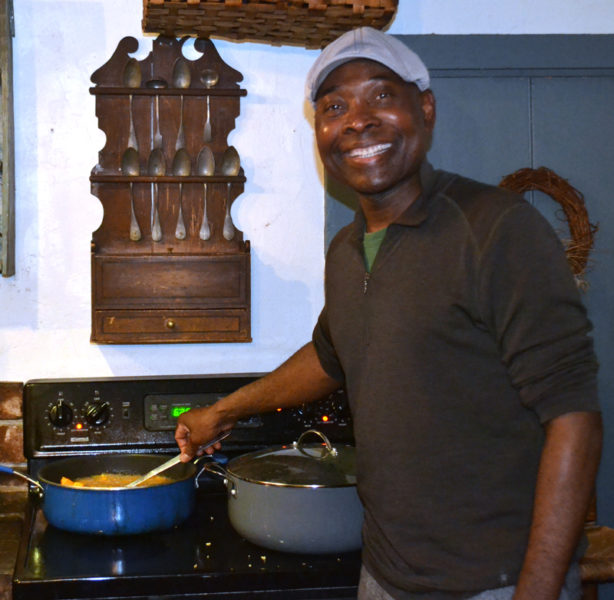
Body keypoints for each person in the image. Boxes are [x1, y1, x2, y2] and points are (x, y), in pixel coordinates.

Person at [175, 27, 602, 600]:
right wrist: (224, 411)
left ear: (423, 109)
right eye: (334, 106)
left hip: (493, 582)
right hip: (384, 574)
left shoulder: (498, 231)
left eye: (381, 95)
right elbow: (332, 357)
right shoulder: (347, 252)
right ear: (320, 133)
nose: (357, 119)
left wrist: (538, 590)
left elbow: (574, 419)